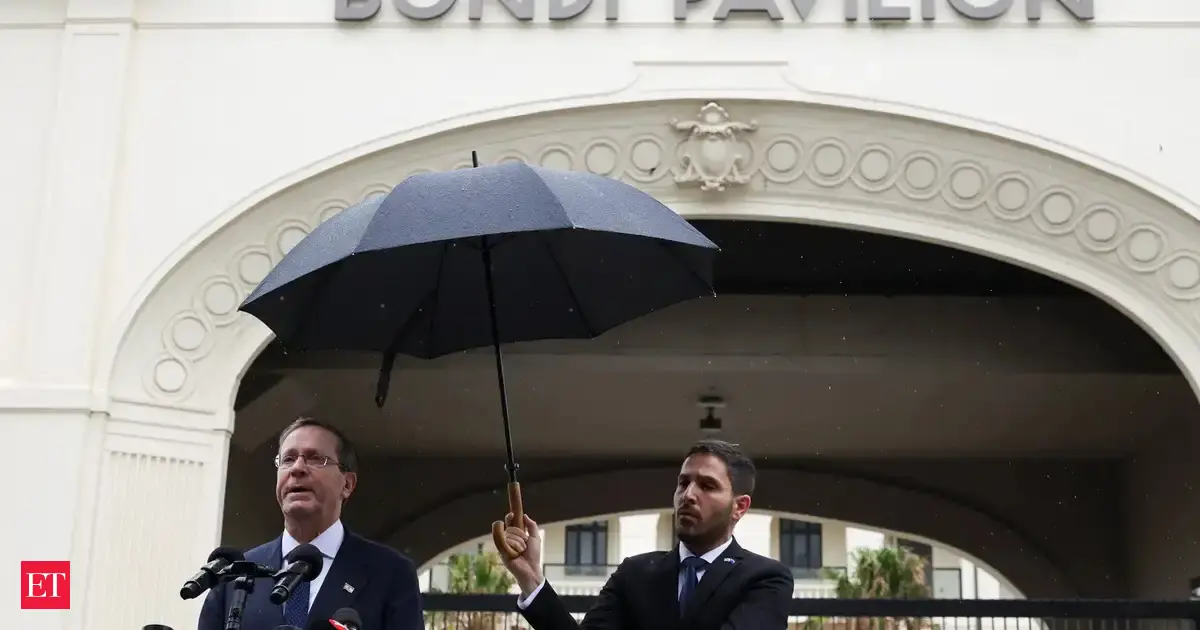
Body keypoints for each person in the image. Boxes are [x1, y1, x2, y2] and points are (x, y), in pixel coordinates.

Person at [498, 439, 794, 630]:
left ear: (739, 507)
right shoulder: (635, 573)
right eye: (683, 483)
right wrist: (531, 579)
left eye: (707, 485)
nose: (687, 495)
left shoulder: (766, 579)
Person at [198, 417, 424, 630]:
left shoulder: (390, 572)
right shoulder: (235, 574)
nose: (297, 468)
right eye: (288, 459)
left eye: (315, 458)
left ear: (347, 484)